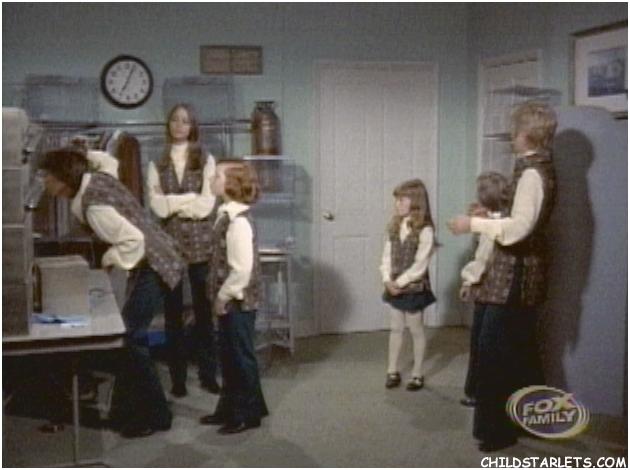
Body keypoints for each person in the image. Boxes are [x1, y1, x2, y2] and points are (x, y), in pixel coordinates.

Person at [40, 146, 186, 438]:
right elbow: (108, 161)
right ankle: (131, 409)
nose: (44, 181)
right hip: (161, 256)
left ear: (63, 178)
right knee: (130, 337)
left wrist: (109, 260)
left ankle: (156, 415)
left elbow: (133, 241)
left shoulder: (94, 206)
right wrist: (84, 152)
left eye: (48, 176)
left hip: (157, 263)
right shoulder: (99, 178)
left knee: (130, 338)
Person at [448, 101, 557, 452]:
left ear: (526, 134)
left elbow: (518, 229)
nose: (511, 135)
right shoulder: (533, 167)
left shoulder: (532, 174)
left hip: (515, 275)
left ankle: (497, 432)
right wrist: (490, 215)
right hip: (518, 273)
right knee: (520, 351)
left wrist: (473, 224)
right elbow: (518, 218)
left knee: (495, 354)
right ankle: (533, 419)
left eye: (515, 130)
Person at [147, 103, 219, 397]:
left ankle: (208, 374)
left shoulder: (205, 159)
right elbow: (157, 206)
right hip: (169, 244)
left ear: (193, 126)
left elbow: (206, 205)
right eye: (175, 120)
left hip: (201, 242)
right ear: (168, 124)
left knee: (204, 312)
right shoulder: (157, 161)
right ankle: (178, 378)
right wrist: (187, 198)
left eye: (185, 121)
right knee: (173, 313)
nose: (179, 125)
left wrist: (174, 202)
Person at [199, 160, 269, 434]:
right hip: (232, 299)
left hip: (238, 301)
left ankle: (246, 413)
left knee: (240, 356)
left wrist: (222, 297)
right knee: (229, 355)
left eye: (216, 176)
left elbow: (241, 269)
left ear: (230, 184)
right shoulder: (226, 215)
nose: (211, 180)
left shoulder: (238, 222)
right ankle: (231, 407)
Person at [458, 172, 510, 408]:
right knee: (482, 342)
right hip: (491, 288)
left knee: (483, 343)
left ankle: (478, 392)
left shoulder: (494, 227)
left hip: (490, 287)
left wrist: (468, 280)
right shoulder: (498, 222)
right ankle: (477, 391)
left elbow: (482, 258)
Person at [379, 179, 436, 391]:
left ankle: (417, 373)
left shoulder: (425, 230)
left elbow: (420, 265)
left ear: (416, 202)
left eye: (402, 200)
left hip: (413, 288)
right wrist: (387, 279)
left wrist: (400, 282)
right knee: (395, 328)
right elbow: (386, 256)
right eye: (397, 200)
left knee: (415, 329)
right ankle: (392, 370)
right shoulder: (395, 226)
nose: (397, 204)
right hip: (394, 285)